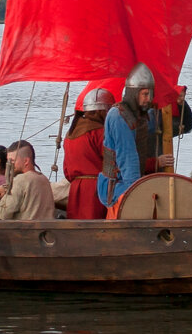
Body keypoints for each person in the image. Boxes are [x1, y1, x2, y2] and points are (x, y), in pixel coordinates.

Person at [97, 63, 175, 216]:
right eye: (145, 94)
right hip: (119, 190)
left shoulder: (140, 116)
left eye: (150, 94)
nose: (148, 99)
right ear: (133, 93)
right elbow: (128, 159)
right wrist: (135, 193)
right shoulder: (119, 116)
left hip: (129, 186)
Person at [63, 86, 115, 219]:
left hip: (76, 191)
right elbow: (115, 163)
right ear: (101, 111)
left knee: (77, 230)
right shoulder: (100, 133)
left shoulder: (70, 134)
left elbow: (67, 172)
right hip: (97, 191)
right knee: (97, 230)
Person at [0, 140, 56, 220]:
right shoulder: (43, 178)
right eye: (8, 161)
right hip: (45, 229)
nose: (9, 165)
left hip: (26, 231)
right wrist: (7, 189)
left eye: (13, 161)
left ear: (26, 161)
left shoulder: (21, 180)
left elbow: (3, 212)